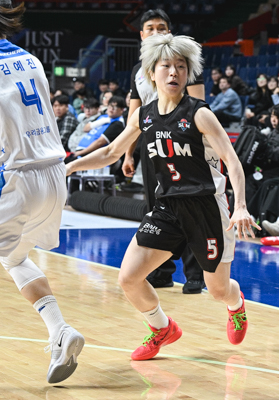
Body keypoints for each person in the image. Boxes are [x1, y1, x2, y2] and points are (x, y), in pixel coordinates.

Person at [66, 33, 259, 360]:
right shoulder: (144, 115)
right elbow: (111, 152)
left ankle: (235, 304)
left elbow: (233, 161)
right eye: (166, 66)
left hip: (206, 206)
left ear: (188, 73)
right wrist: (70, 166)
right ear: (151, 73)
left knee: (217, 289)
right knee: (129, 278)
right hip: (167, 206)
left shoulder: (199, 114)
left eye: (181, 67)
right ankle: (161, 327)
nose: (174, 73)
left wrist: (240, 206)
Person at [0, 1, 84, 383]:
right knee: (14, 258)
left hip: (16, 178)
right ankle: (60, 331)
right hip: (52, 175)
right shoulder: (30, 59)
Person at [122, 8, 206, 294]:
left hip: (183, 143)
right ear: (142, 35)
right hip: (151, 145)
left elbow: (198, 104)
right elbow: (133, 113)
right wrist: (128, 153)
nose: (156, 32)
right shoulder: (139, 70)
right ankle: (162, 271)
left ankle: (195, 274)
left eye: (162, 27)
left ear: (169, 32)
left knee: (190, 207)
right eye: (151, 28)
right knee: (155, 207)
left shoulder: (182, 63)